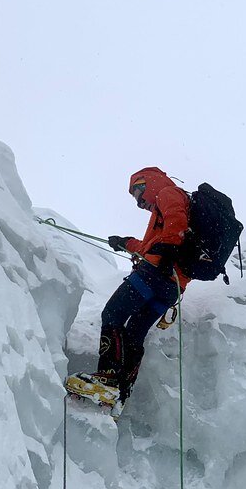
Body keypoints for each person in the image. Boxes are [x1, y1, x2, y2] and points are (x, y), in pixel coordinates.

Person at [68, 166, 191, 405]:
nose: (139, 203)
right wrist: (126, 243)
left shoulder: (168, 193)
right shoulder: (169, 207)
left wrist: (165, 255)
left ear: (149, 183)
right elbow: (151, 247)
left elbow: (177, 226)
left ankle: (108, 378)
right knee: (135, 331)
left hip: (154, 275)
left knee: (113, 313)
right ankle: (122, 388)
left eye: (138, 194)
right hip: (171, 287)